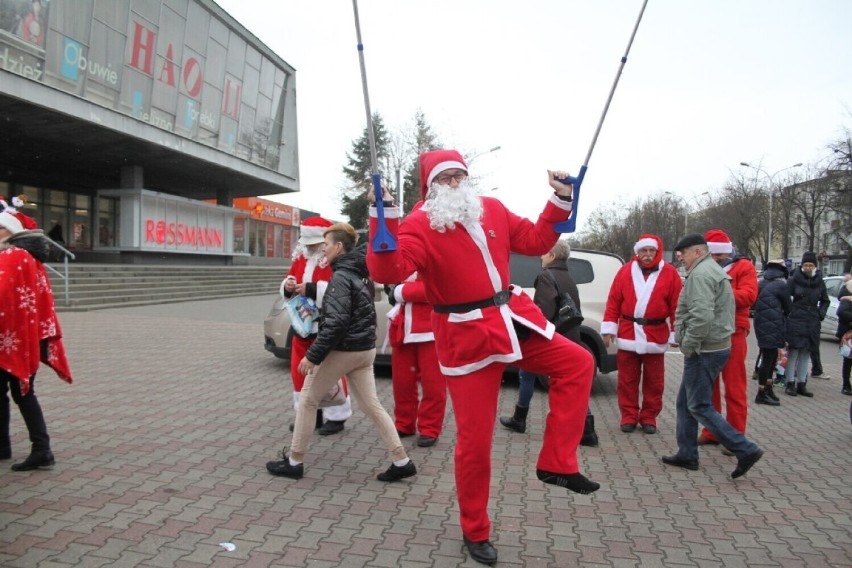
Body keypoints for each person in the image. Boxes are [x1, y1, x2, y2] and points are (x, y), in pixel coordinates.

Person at [367, 149, 598, 566]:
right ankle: (475, 530)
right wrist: (381, 215)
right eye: (445, 178)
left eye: (460, 175)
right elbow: (389, 271)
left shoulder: (490, 208)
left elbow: (535, 240)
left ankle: (556, 462)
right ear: (430, 187)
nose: (455, 183)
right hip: (465, 336)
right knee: (475, 443)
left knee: (578, 362)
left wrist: (561, 197)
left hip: (511, 318)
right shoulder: (420, 223)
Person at [266, 223, 416, 482]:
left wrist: (313, 356)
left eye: (326, 245)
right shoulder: (362, 272)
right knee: (372, 405)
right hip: (365, 350)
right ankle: (401, 460)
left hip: (344, 349)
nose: (323, 251)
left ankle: (294, 461)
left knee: (308, 400)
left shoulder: (340, 277)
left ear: (338, 246)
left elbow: (335, 323)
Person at [661, 234, 763, 479]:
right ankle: (687, 453)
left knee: (698, 405)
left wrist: (688, 344)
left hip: (704, 349)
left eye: (683, 254)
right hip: (712, 345)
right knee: (685, 403)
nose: (680, 259)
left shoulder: (702, 274)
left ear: (696, 252)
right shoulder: (707, 269)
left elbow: (702, 316)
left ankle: (744, 448)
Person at [500, 240, 600, 447]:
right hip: (570, 335)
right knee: (572, 385)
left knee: (526, 374)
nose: (541, 256)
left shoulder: (547, 276)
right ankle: (587, 428)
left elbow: (543, 311)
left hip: (550, 337)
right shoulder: (569, 277)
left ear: (553, 256)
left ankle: (520, 419)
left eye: (545, 253)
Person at [0, 203, 72, 471]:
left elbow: (4, 295)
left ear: (9, 231)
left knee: (22, 395)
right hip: (21, 337)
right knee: (15, 393)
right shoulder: (29, 258)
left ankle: (41, 450)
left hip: (11, 338)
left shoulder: (13, 257)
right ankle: (9, 445)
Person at [601, 234, 682, 434]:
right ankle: (628, 416)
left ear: (657, 251)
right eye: (643, 251)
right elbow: (613, 301)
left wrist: (676, 333)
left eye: (650, 251)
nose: (647, 255)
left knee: (655, 382)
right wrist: (609, 328)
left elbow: (677, 307)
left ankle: (649, 417)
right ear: (637, 252)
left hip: (655, 335)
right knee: (627, 380)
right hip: (629, 332)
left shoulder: (670, 273)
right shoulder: (625, 272)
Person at [282, 216, 352, 435]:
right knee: (299, 372)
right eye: (308, 243)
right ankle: (308, 414)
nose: (310, 247)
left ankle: (336, 416)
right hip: (302, 325)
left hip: (326, 325)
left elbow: (339, 290)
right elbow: (287, 280)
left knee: (330, 372)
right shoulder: (301, 257)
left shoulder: (336, 260)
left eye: (314, 243)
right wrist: (288, 285)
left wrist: (312, 289)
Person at [696, 230, 758, 450]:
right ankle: (712, 431)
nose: (717, 259)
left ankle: (735, 436)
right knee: (708, 386)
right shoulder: (702, 267)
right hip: (708, 332)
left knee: (734, 386)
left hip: (733, 332)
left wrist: (718, 295)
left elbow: (749, 295)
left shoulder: (744, 267)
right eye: (713, 255)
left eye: (720, 255)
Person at [386, 272, 446, 447]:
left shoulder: (436, 253)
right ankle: (404, 423)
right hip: (403, 328)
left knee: (433, 385)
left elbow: (433, 290)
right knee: (402, 382)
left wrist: (399, 290)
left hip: (431, 330)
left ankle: (430, 428)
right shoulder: (405, 255)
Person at [784, 252, 829, 397]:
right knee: (794, 351)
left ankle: (802, 383)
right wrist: (790, 313)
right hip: (796, 318)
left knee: (806, 352)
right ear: (801, 266)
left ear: (815, 266)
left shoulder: (819, 281)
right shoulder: (793, 280)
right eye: (806, 265)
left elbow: (825, 300)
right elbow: (786, 299)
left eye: (811, 265)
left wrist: (820, 314)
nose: (808, 267)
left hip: (812, 320)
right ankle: (790, 383)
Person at [751, 260, 792, 405]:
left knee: (768, 355)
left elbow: (753, 303)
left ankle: (768, 389)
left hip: (760, 323)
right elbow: (788, 307)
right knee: (769, 358)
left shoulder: (760, 283)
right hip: (775, 324)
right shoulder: (782, 285)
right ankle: (761, 393)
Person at [836, 280, 852, 395]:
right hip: (848, 333)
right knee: (848, 360)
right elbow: (841, 312)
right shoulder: (847, 298)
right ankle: (846, 385)